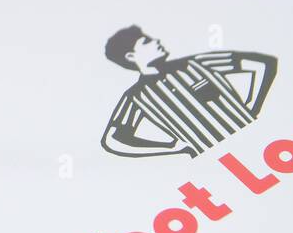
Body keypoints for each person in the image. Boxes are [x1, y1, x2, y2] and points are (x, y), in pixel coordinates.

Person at [101, 24, 277, 159]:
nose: (157, 41)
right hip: (215, 163)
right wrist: (172, 147)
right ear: (131, 57)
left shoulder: (196, 63)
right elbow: (113, 140)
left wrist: (253, 106)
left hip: (263, 142)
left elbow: (262, 63)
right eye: (146, 42)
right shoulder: (137, 96)